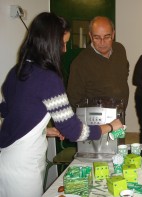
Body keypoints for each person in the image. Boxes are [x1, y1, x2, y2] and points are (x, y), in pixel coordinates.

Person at [0, 12, 123, 197]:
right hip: (24, 167)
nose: (64, 49)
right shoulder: (48, 77)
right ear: (49, 43)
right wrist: (110, 126)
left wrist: (43, 130)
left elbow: (10, 111)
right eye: (62, 43)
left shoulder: (17, 70)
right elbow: (76, 132)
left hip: (7, 158)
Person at [67, 16, 129, 115]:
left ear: (113, 34)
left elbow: (125, 70)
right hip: (96, 123)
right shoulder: (79, 63)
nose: (102, 42)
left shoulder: (120, 49)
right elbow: (74, 101)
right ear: (90, 36)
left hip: (120, 115)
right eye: (97, 37)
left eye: (107, 37)